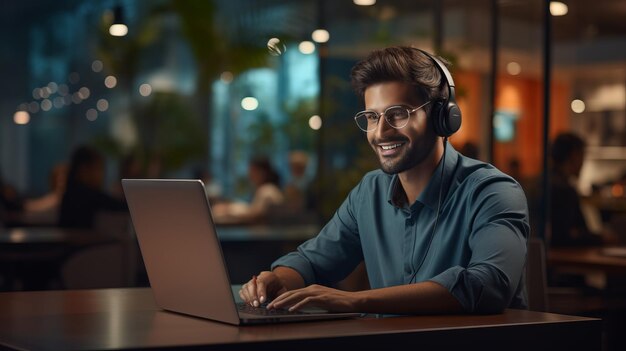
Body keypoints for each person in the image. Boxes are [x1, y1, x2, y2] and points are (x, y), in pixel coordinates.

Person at [239, 46, 529, 315]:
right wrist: (277, 280)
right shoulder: (370, 191)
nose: (380, 132)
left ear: (443, 117)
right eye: (372, 117)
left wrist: (357, 300)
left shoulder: (492, 192)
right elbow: (313, 261)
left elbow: (488, 284)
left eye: (398, 114)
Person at [549, 133, 615, 247]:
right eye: (583, 155)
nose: (583, 162)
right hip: (562, 260)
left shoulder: (546, 183)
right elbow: (566, 237)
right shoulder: (564, 190)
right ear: (575, 155)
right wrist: (601, 238)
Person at [58, 145, 127, 229]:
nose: (102, 175)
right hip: (81, 241)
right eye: (98, 168)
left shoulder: (69, 193)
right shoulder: (87, 195)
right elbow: (117, 205)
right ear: (84, 170)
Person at [211, 156, 284, 224]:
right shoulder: (268, 189)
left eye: (252, 170)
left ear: (262, 172)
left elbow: (253, 215)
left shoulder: (267, 190)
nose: (249, 174)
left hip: (265, 235)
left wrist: (228, 211)